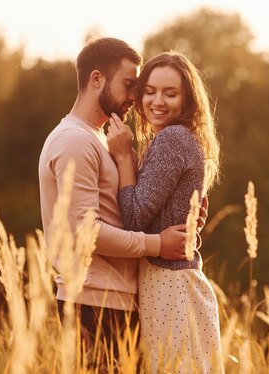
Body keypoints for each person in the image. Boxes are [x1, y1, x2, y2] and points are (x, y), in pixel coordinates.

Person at [37, 38, 192, 365]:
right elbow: (84, 232)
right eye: (129, 84)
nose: (135, 97)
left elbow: (124, 209)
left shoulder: (98, 138)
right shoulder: (74, 141)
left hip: (114, 301)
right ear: (96, 79)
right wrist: (157, 244)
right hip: (94, 302)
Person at [107, 51, 223, 373]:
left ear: (186, 99)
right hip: (174, 280)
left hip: (167, 284)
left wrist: (122, 159)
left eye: (170, 94)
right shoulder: (177, 139)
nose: (157, 101)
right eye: (150, 91)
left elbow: (133, 219)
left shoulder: (172, 139)